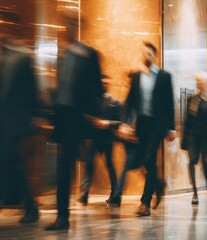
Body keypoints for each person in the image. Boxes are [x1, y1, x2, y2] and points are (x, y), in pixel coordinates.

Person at [45, 12, 103, 231]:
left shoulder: (89, 54)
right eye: (64, 23)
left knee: (68, 164)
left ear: (78, 26)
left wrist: (89, 114)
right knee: (63, 167)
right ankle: (62, 217)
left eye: (70, 23)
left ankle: (63, 216)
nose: (66, 27)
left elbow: (97, 88)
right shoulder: (62, 55)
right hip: (64, 120)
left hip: (79, 120)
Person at [118, 42, 175, 216]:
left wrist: (171, 128)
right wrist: (125, 122)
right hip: (141, 125)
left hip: (157, 125)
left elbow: (169, 103)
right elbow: (129, 102)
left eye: (150, 54)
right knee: (144, 161)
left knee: (150, 157)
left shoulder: (164, 77)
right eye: (145, 54)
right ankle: (158, 184)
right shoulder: (137, 77)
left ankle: (145, 203)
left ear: (155, 56)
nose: (147, 56)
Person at [0, 10, 39, 223]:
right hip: (2, 120)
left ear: (13, 26)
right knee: (13, 164)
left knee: (8, 161)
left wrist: (33, 116)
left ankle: (30, 207)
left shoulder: (23, 55)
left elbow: (33, 90)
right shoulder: (2, 54)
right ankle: (31, 207)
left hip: (15, 121)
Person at [77, 76, 122, 206]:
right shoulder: (93, 101)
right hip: (94, 138)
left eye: (107, 83)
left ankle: (115, 195)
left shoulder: (115, 102)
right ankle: (84, 194)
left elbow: (120, 122)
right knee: (90, 165)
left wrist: (106, 123)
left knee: (110, 166)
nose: (104, 85)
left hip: (107, 139)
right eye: (102, 83)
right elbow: (84, 117)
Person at [181, 72, 207, 204]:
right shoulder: (192, 99)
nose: (198, 83)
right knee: (192, 161)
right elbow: (187, 120)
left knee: (205, 162)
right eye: (197, 81)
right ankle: (194, 193)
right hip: (192, 136)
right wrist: (184, 138)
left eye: (201, 81)